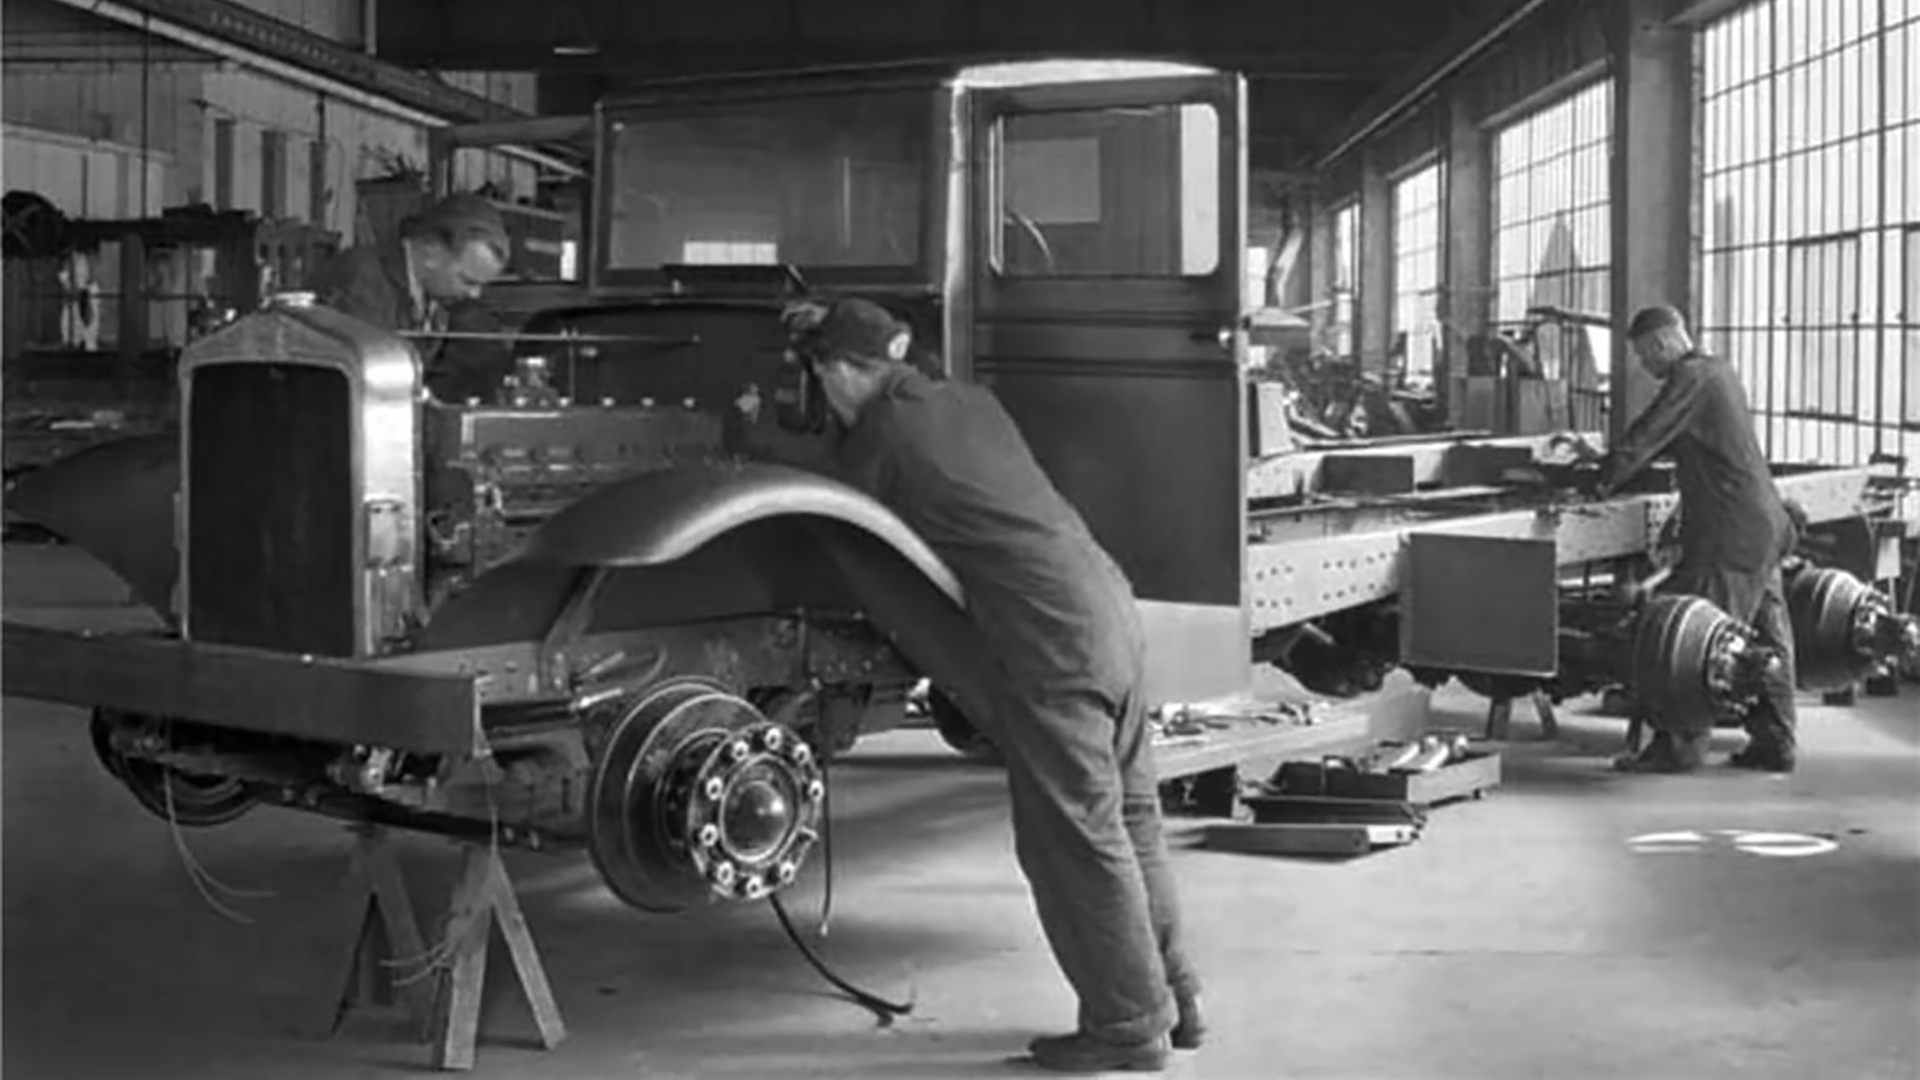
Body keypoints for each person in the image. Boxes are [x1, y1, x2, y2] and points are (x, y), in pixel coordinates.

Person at [785, 296, 1201, 1073]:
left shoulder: (885, 433)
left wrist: (745, 433)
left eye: (823, 379)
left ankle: (1127, 1027)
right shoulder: (968, 403)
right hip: (1107, 609)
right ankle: (1177, 1001)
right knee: (1129, 818)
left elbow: (826, 491)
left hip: (1051, 645)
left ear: (839, 371)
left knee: (1072, 840)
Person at [1581, 304, 1799, 773]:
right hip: (1765, 524)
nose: (1644, 366)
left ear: (1662, 343)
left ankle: (1678, 746)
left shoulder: (1691, 377)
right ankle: (1776, 741)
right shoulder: (1721, 371)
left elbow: (1650, 433)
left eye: (1644, 356)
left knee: (1687, 637)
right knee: (1767, 637)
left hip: (1729, 535)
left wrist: (1599, 479)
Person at [306, 192, 512, 401]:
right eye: (467, 281)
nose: (474, 294)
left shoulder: (437, 295)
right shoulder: (360, 279)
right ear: (432, 252)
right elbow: (374, 377)